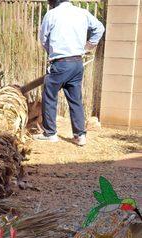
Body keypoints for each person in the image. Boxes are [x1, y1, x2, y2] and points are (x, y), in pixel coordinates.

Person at [34, 0, 105, 146]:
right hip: (77, 62)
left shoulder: (52, 14)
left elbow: (43, 39)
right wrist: (88, 47)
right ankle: (80, 136)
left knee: (49, 95)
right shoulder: (82, 13)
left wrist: (52, 52)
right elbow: (99, 28)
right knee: (75, 99)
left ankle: (50, 133)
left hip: (60, 63)